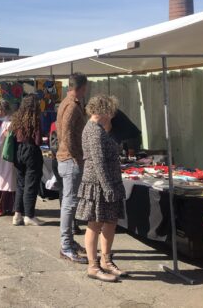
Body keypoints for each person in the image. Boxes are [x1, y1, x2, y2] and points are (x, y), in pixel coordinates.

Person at [76, 95, 127, 282]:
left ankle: (106, 261)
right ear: (103, 111)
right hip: (99, 184)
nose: (112, 116)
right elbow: (98, 162)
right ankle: (93, 266)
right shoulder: (94, 131)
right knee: (95, 224)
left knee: (110, 221)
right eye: (110, 112)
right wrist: (107, 187)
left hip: (107, 182)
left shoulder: (97, 129)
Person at [56, 73, 89, 263]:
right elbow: (67, 135)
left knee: (69, 203)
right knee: (69, 204)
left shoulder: (67, 102)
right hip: (70, 160)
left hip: (66, 158)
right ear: (81, 88)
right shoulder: (72, 106)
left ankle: (69, 242)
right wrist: (78, 156)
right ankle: (66, 246)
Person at [12, 95, 45, 226]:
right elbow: (37, 141)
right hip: (31, 151)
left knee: (20, 185)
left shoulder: (17, 118)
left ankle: (17, 215)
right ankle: (29, 216)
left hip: (18, 151)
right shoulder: (34, 119)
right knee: (31, 185)